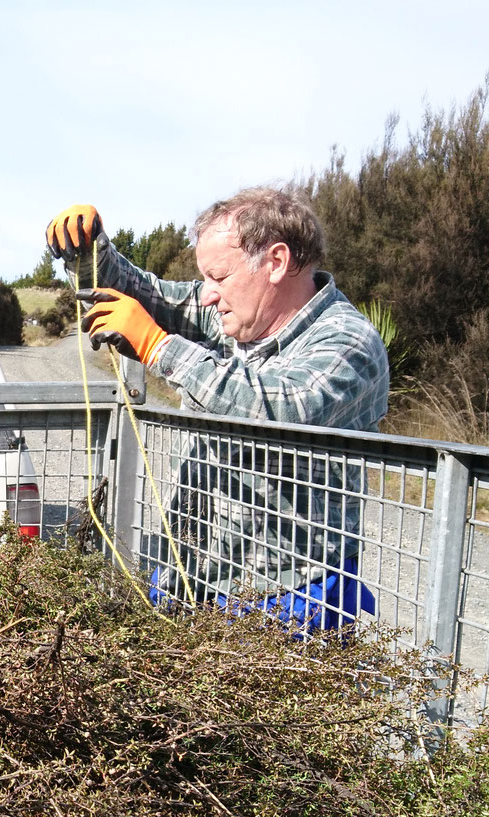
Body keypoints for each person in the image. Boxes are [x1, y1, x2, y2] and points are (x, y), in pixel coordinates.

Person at [43, 187, 390, 634]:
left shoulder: (347, 344)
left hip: (287, 597)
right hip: (192, 579)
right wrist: (88, 250)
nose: (207, 295)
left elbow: (276, 407)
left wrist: (159, 347)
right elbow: (148, 296)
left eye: (219, 277)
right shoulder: (236, 319)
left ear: (277, 262)